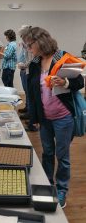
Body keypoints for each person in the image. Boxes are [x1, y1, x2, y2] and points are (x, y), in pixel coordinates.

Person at [25, 26, 84, 208]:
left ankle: (61, 189)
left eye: (29, 45)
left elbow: (79, 82)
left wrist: (65, 82)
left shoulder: (62, 57)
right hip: (45, 118)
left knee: (62, 155)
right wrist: (33, 116)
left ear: (39, 42)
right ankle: (47, 183)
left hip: (63, 117)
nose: (28, 49)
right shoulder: (35, 62)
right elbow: (33, 92)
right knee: (48, 152)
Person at [17, 25, 38, 131]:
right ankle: (31, 120)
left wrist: (24, 65)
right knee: (29, 95)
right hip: (27, 71)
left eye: (22, 35)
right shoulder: (25, 44)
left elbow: (33, 60)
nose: (21, 38)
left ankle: (32, 123)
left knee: (32, 97)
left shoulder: (32, 45)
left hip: (30, 72)